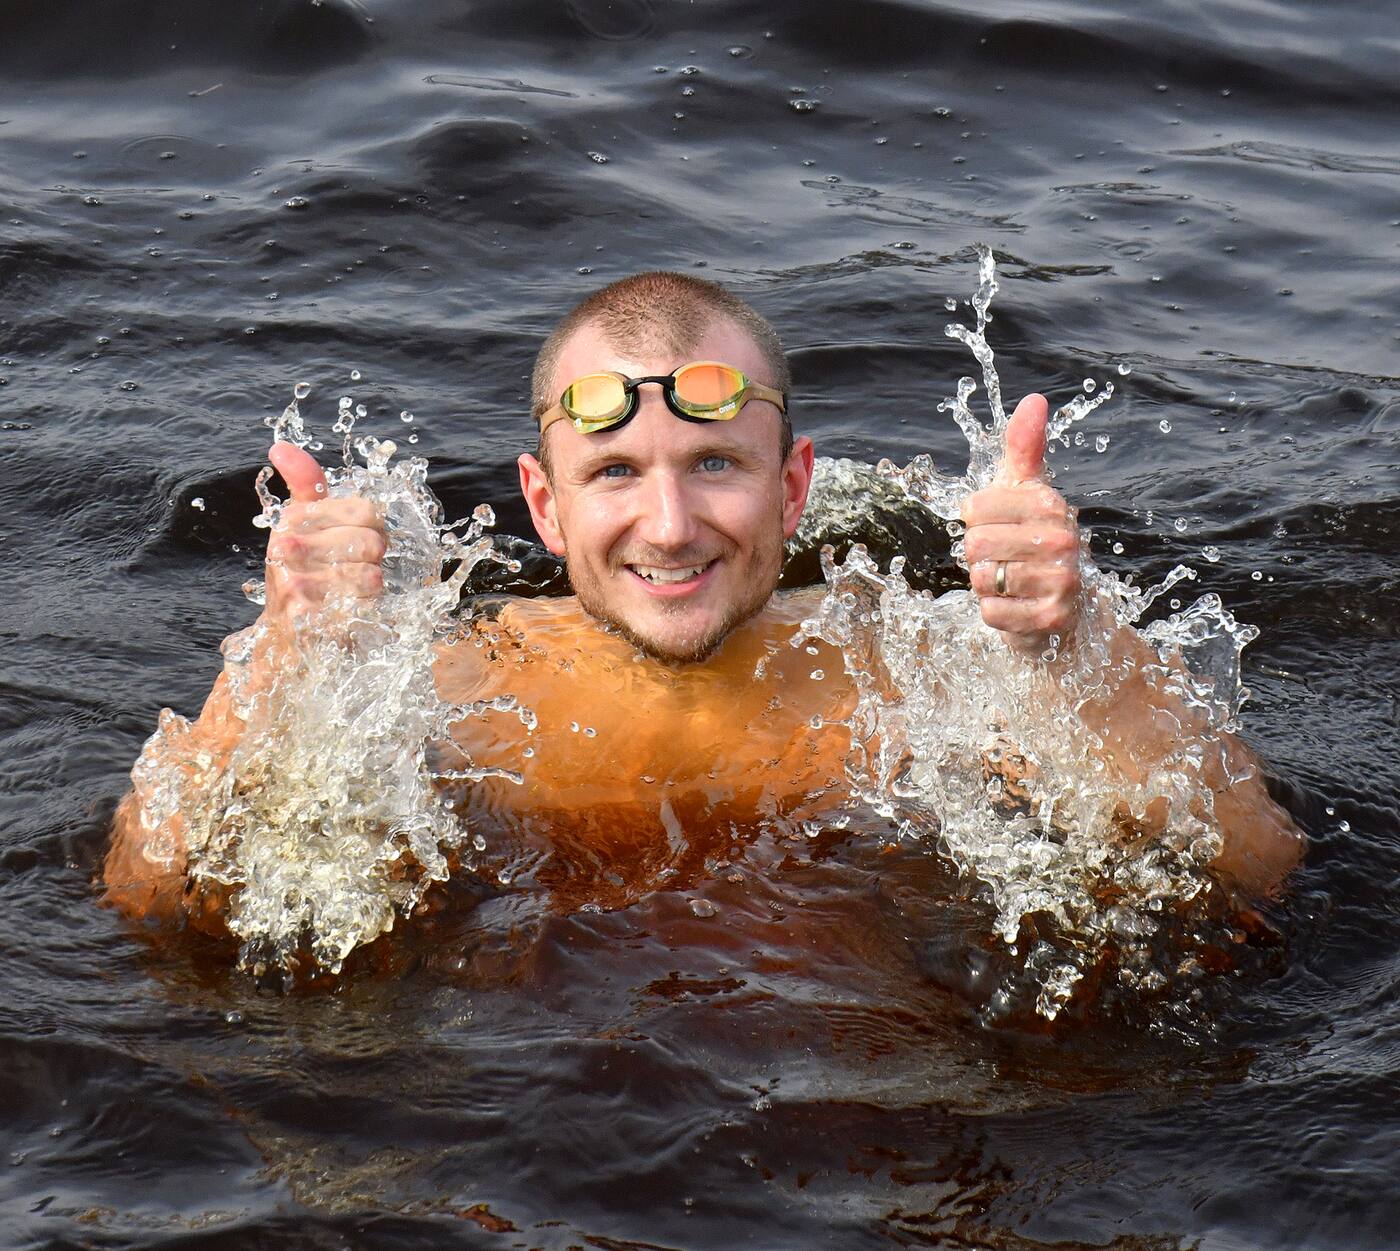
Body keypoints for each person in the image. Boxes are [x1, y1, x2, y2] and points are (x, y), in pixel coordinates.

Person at [103, 271, 1303, 936]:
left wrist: (1069, 640)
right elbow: (148, 901)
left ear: (793, 487)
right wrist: (289, 664)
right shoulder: (450, 682)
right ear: (543, 505)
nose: (670, 526)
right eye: (615, 473)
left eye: (714, 465)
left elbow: (1251, 870)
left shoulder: (908, 665)